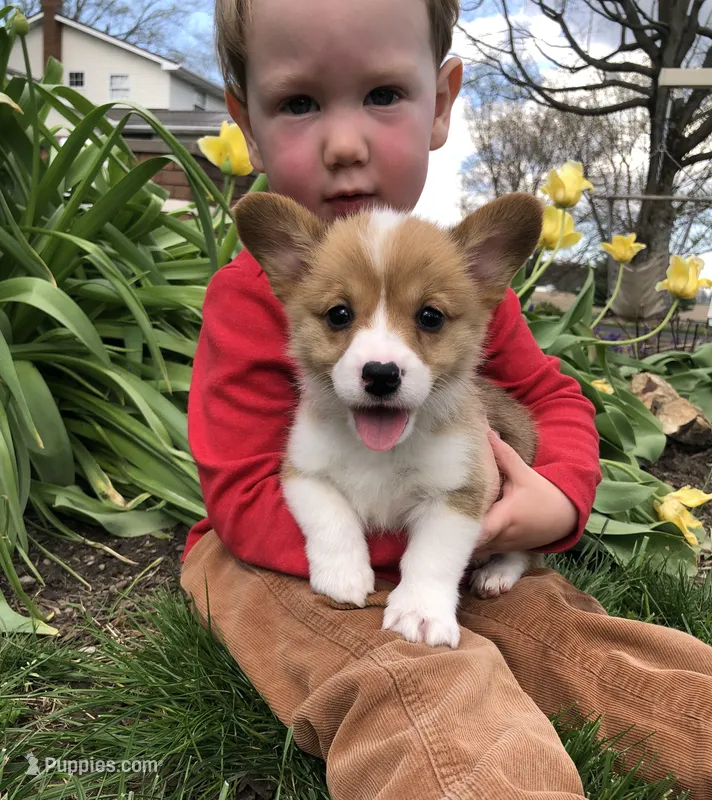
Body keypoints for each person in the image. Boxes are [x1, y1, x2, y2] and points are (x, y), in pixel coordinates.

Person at [180, 0, 712, 796]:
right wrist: (414, 559)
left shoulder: (457, 279)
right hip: (279, 559)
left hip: (454, 541)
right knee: (414, 681)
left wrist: (556, 505)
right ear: (245, 123)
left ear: (440, 102)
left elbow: (552, 402)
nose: (346, 144)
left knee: (572, 641)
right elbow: (241, 489)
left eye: (383, 94)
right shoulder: (246, 295)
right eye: (299, 102)